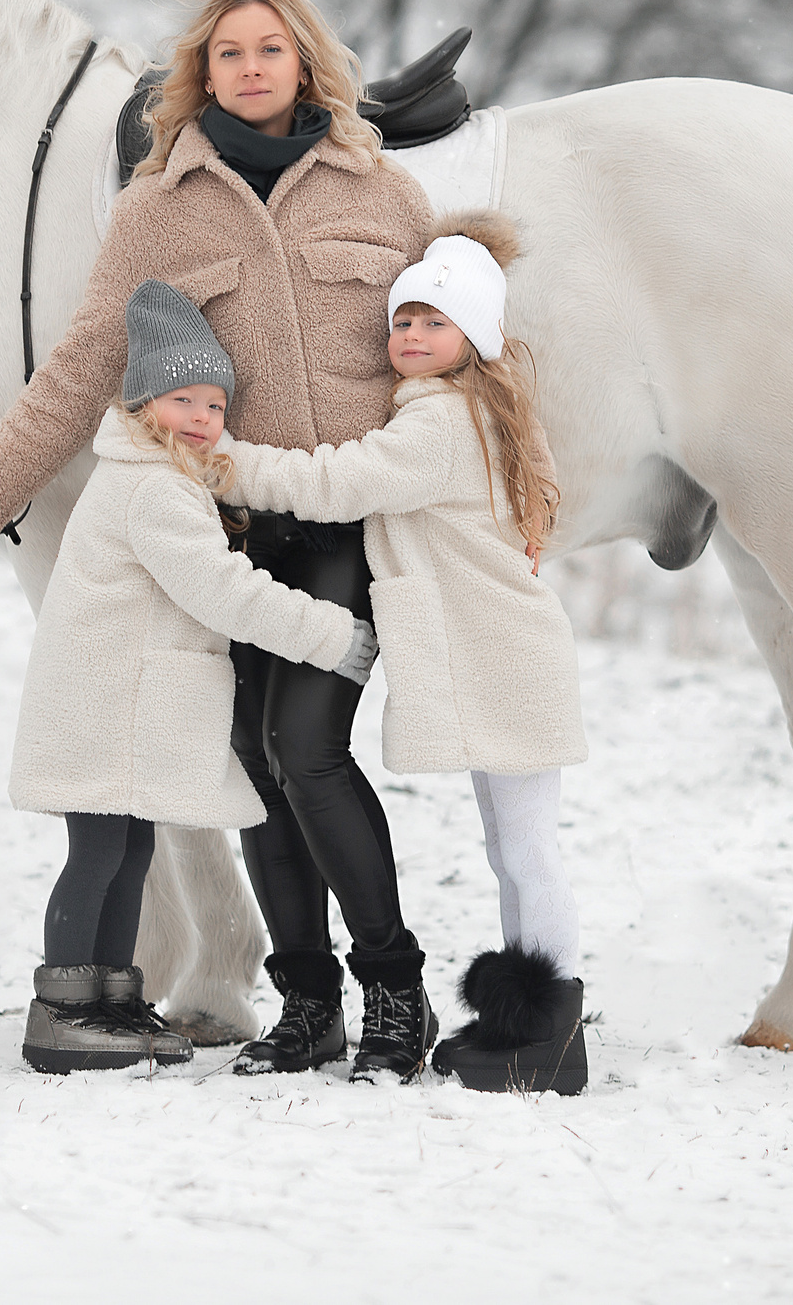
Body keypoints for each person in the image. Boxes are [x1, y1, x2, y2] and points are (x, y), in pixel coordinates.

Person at [0, 0, 441, 1079]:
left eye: (270, 49)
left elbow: (456, 362)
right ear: (203, 72)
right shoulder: (156, 207)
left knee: (308, 751)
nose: (250, 68)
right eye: (229, 52)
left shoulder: (384, 192)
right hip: (224, 529)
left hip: (341, 521)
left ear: (304, 62)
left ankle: (396, 990)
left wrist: (505, 494)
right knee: (252, 766)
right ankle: (307, 1004)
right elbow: (85, 363)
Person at [221, 216, 592, 1094]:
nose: (412, 335)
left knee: (527, 849)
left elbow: (334, 481)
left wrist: (225, 462)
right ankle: (532, 1024)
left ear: (478, 336)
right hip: (501, 652)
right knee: (513, 845)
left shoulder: (438, 425)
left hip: (505, 659)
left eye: (435, 321)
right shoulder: (478, 411)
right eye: (403, 320)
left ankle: (552, 1034)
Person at [2, 281, 380, 1073]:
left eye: (215, 403)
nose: (204, 416)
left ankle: (110, 998)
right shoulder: (153, 488)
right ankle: (63, 1010)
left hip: (119, 703)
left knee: (128, 851)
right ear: (144, 405)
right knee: (98, 855)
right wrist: (327, 634)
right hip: (108, 703)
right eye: (184, 400)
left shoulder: (161, 475)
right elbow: (222, 590)